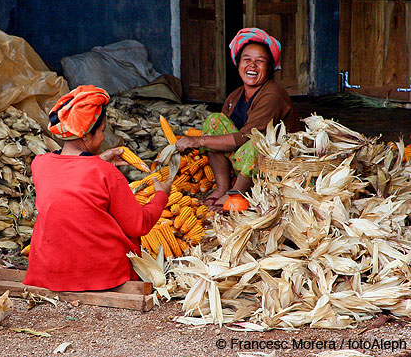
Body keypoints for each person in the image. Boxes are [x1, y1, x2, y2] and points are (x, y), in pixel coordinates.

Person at [23, 85, 173, 291]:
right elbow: (139, 225)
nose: (103, 138)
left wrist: (99, 160)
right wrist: (161, 195)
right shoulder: (106, 173)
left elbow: (70, 180)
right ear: (85, 136)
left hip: (49, 272)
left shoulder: (39, 164)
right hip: (102, 276)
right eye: (102, 131)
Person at [176, 27, 301, 209]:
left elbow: (244, 138)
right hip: (246, 161)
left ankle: (237, 195)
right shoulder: (236, 96)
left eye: (260, 61)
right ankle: (223, 188)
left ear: (270, 67)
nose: (252, 65)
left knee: (256, 142)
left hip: (276, 162)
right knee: (214, 122)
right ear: (238, 63)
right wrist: (205, 140)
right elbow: (220, 135)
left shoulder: (272, 95)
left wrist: (198, 141)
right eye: (247, 60)